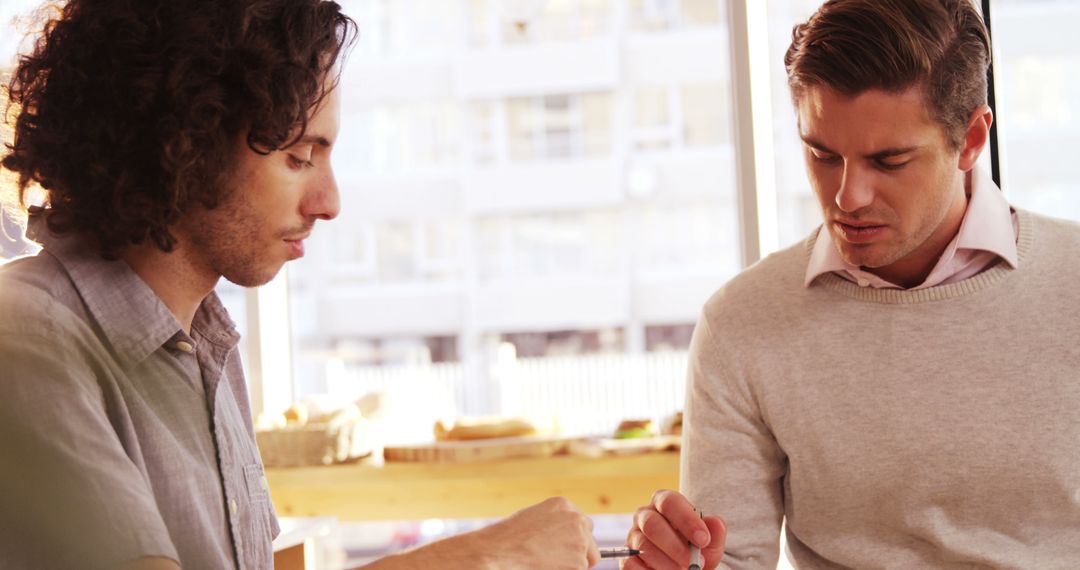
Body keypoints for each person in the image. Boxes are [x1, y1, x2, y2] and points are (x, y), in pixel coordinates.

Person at [0, 1, 599, 569]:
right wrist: (486, 556)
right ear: (185, 140)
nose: (329, 203)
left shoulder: (203, 344)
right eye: (298, 155)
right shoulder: (25, 340)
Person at [623, 0, 1080, 568]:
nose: (847, 197)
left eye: (888, 161)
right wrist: (679, 562)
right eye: (822, 155)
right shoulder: (742, 324)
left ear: (970, 139)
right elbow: (728, 559)